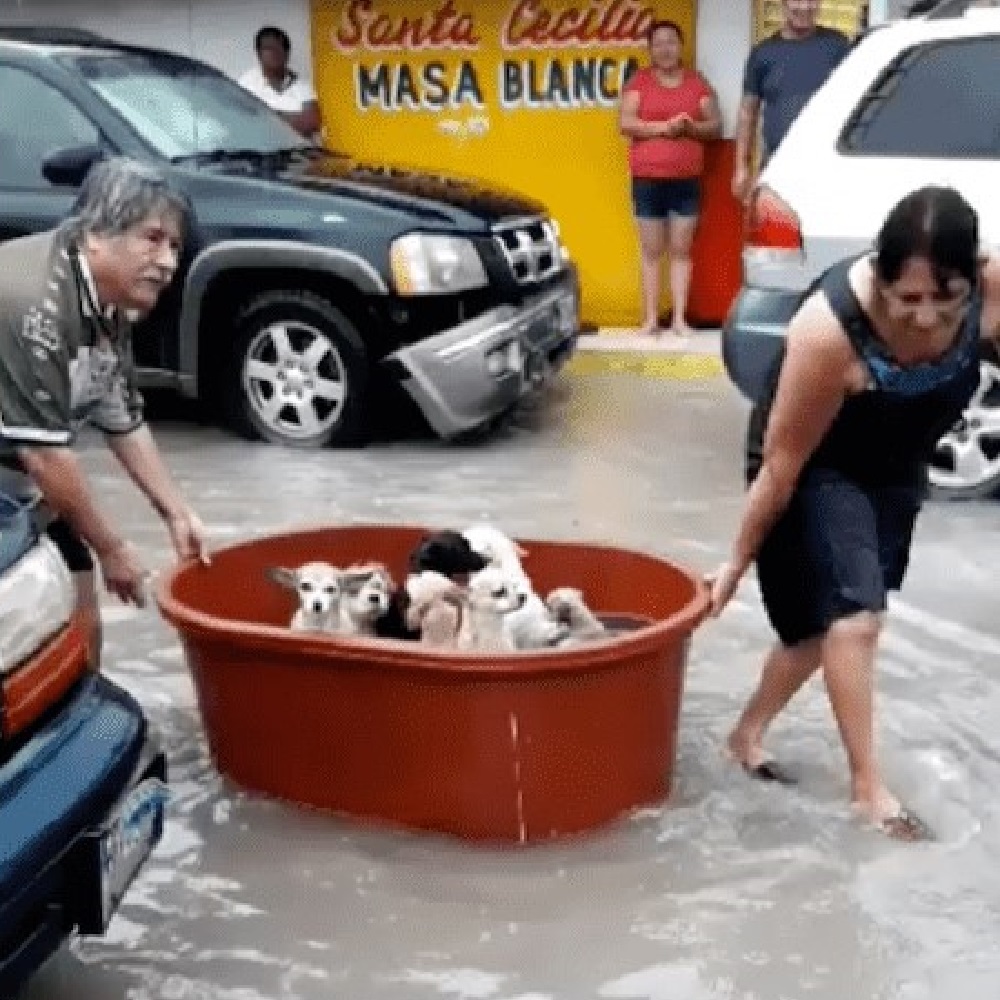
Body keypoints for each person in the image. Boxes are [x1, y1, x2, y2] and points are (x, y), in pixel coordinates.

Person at [706, 185, 1000, 841]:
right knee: (855, 618)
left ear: (973, 281)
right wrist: (735, 561)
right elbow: (783, 463)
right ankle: (869, 790)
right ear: (882, 279)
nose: (926, 319)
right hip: (816, 462)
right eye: (908, 301)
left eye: (945, 302)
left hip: (898, 462)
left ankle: (745, 734)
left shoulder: (996, 288)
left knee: (822, 632)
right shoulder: (829, 330)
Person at [0, 157, 209, 664]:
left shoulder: (110, 301)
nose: (167, 262)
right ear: (95, 235)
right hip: (21, 468)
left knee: (74, 588)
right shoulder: (33, 304)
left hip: (20, 474)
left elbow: (120, 416)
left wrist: (176, 513)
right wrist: (113, 548)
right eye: (152, 238)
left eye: (176, 246)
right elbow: (46, 459)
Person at [619, 19, 721, 342]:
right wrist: (664, 129)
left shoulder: (696, 83)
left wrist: (690, 128)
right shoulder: (639, 82)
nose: (665, 48)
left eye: (671, 42)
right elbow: (626, 123)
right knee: (651, 252)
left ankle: (679, 319)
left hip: (686, 181)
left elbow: (715, 126)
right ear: (650, 49)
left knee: (681, 250)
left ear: (681, 47)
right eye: (658, 43)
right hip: (648, 180)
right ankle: (650, 319)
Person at [732, 0, 851, 202]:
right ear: (783, 3)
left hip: (827, 167)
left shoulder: (838, 45)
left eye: (811, 1)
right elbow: (747, 112)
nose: (804, 7)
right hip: (777, 166)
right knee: (773, 231)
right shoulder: (763, 53)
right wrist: (741, 167)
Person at [238, 25, 323, 141]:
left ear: (287, 53)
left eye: (279, 47)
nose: (275, 53)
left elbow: (312, 121)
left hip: (299, 155)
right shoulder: (246, 84)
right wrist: (290, 118)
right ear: (259, 54)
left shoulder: (302, 86)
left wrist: (267, 116)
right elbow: (243, 123)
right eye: (268, 48)